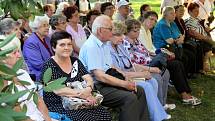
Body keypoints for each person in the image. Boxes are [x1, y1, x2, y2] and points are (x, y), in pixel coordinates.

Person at [79, 15, 150, 121]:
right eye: (110, 29)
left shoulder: (104, 43)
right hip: (95, 87)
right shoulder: (91, 46)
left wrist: (125, 77)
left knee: (139, 90)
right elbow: (100, 76)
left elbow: (111, 66)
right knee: (129, 98)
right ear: (100, 31)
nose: (112, 32)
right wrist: (124, 84)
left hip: (106, 82)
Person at [41, 31, 111, 121]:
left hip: (81, 100)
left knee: (104, 115)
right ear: (54, 48)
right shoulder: (49, 66)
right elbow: (59, 90)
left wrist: (88, 89)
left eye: (69, 44)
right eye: (62, 45)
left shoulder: (75, 61)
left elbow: (88, 78)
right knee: (86, 118)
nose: (66, 48)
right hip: (60, 104)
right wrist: (83, 94)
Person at [109, 21, 171, 121]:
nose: (122, 37)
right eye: (119, 35)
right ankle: (157, 117)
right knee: (146, 85)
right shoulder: (108, 49)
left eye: (122, 34)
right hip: (121, 78)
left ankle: (151, 113)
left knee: (152, 81)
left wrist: (144, 72)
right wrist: (142, 74)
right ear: (111, 35)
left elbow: (131, 64)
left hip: (130, 73)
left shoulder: (119, 46)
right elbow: (118, 73)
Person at [0, 35, 52, 121]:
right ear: (3, 58)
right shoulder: (2, 84)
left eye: (18, 51)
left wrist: (48, 119)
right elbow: (18, 116)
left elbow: (38, 100)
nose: (19, 55)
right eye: (14, 53)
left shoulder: (22, 73)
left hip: (40, 117)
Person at [23, 15, 53, 81]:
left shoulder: (47, 38)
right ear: (36, 27)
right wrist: (57, 68)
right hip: (38, 75)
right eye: (44, 25)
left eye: (48, 25)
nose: (47, 27)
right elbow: (38, 65)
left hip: (50, 71)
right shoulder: (31, 42)